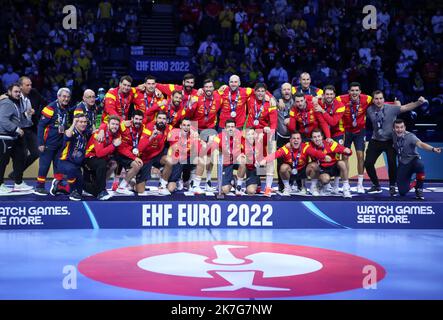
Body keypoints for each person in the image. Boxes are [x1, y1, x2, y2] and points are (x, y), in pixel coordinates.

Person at [364, 91, 427, 195]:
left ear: (384, 99)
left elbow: (406, 107)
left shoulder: (391, 108)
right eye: (376, 99)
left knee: (392, 163)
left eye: (380, 98)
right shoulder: (370, 110)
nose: (378, 101)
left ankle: (392, 186)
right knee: (368, 163)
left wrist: (419, 103)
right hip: (375, 140)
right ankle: (376, 185)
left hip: (390, 141)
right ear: (373, 100)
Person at [260, 131, 330, 195]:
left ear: (301, 140)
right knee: (283, 167)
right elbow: (275, 155)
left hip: (303, 171)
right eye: (294, 138)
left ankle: (313, 188)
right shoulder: (286, 148)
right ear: (290, 140)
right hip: (291, 172)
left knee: (314, 165)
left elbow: (315, 153)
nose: (296, 140)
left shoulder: (305, 147)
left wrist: (324, 156)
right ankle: (287, 188)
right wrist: (265, 160)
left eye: (298, 138)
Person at [336, 82, 372, 193]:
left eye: (357, 90)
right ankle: (345, 184)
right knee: (345, 157)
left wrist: (395, 103)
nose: (354, 93)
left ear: (360, 92)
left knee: (360, 156)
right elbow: (326, 99)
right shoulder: (340, 99)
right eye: (352, 90)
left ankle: (360, 184)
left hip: (360, 131)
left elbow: (380, 102)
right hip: (345, 131)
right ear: (348, 92)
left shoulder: (367, 99)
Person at [393, 119, 441, 200]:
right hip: (403, 164)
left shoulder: (410, 136)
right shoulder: (392, 135)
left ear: (405, 128)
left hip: (413, 161)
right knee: (402, 192)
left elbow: (421, 144)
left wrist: (433, 149)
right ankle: (414, 182)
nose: (399, 130)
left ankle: (419, 188)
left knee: (420, 165)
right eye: (397, 127)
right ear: (393, 129)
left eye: (401, 127)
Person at [35, 88, 71, 196]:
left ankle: (58, 186)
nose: (66, 99)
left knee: (58, 165)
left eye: (68, 97)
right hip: (48, 143)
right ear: (58, 97)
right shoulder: (49, 108)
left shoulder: (66, 108)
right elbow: (41, 126)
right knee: (44, 165)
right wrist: (40, 143)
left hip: (60, 143)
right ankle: (39, 187)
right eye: (64, 96)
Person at [0, 83, 31, 193]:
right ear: (9, 92)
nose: (18, 94)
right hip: (4, 137)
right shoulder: (7, 103)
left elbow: (16, 118)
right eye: (15, 92)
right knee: (2, 162)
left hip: (13, 138)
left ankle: (18, 183)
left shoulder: (15, 103)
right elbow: (2, 120)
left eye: (19, 92)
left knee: (19, 158)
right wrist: (16, 129)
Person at [83, 115, 121, 200]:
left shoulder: (115, 134)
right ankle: (101, 191)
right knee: (102, 163)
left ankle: (98, 186)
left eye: (117, 124)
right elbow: (99, 153)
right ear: (108, 124)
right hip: (89, 157)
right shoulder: (99, 134)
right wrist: (113, 145)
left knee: (114, 163)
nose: (115, 126)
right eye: (113, 124)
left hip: (100, 158)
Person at [53, 113, 89, 201]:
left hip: (76, 165)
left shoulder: (84, 135)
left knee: (80, 190)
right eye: (80, 122)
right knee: (71, 171)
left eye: (85, 122)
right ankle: (72, 192)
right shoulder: (72, 131)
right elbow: (67, 135)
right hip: (64, 162)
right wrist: (73, 124)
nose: (83, 124)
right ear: (76, 122)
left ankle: (59, 186)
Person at [309, 128, 353, 198]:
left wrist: (348, 151)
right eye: (314, 137)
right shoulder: (310, 146)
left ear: (322, 137)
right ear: (311, 139)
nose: (317, 139)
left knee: (342, 163)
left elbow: (346, 151)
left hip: (333, 167)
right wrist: (323, 156)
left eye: (318, 136)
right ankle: (319, 184)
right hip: (322, 169)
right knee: (325, 179)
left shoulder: (329, 144)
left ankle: (346, 188)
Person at [137, 111, 173, 195]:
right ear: (156, 119)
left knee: (170, 160)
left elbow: (174, 142)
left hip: (157, 156)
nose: (161, 120)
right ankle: (133, 182)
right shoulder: (149, 127)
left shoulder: (169, 128)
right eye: (159, 118)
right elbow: (140, 148)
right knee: (140, 190)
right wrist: (152, 137)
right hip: (146, 157)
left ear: (166, 121)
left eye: (164, 119)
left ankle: (162, 186)